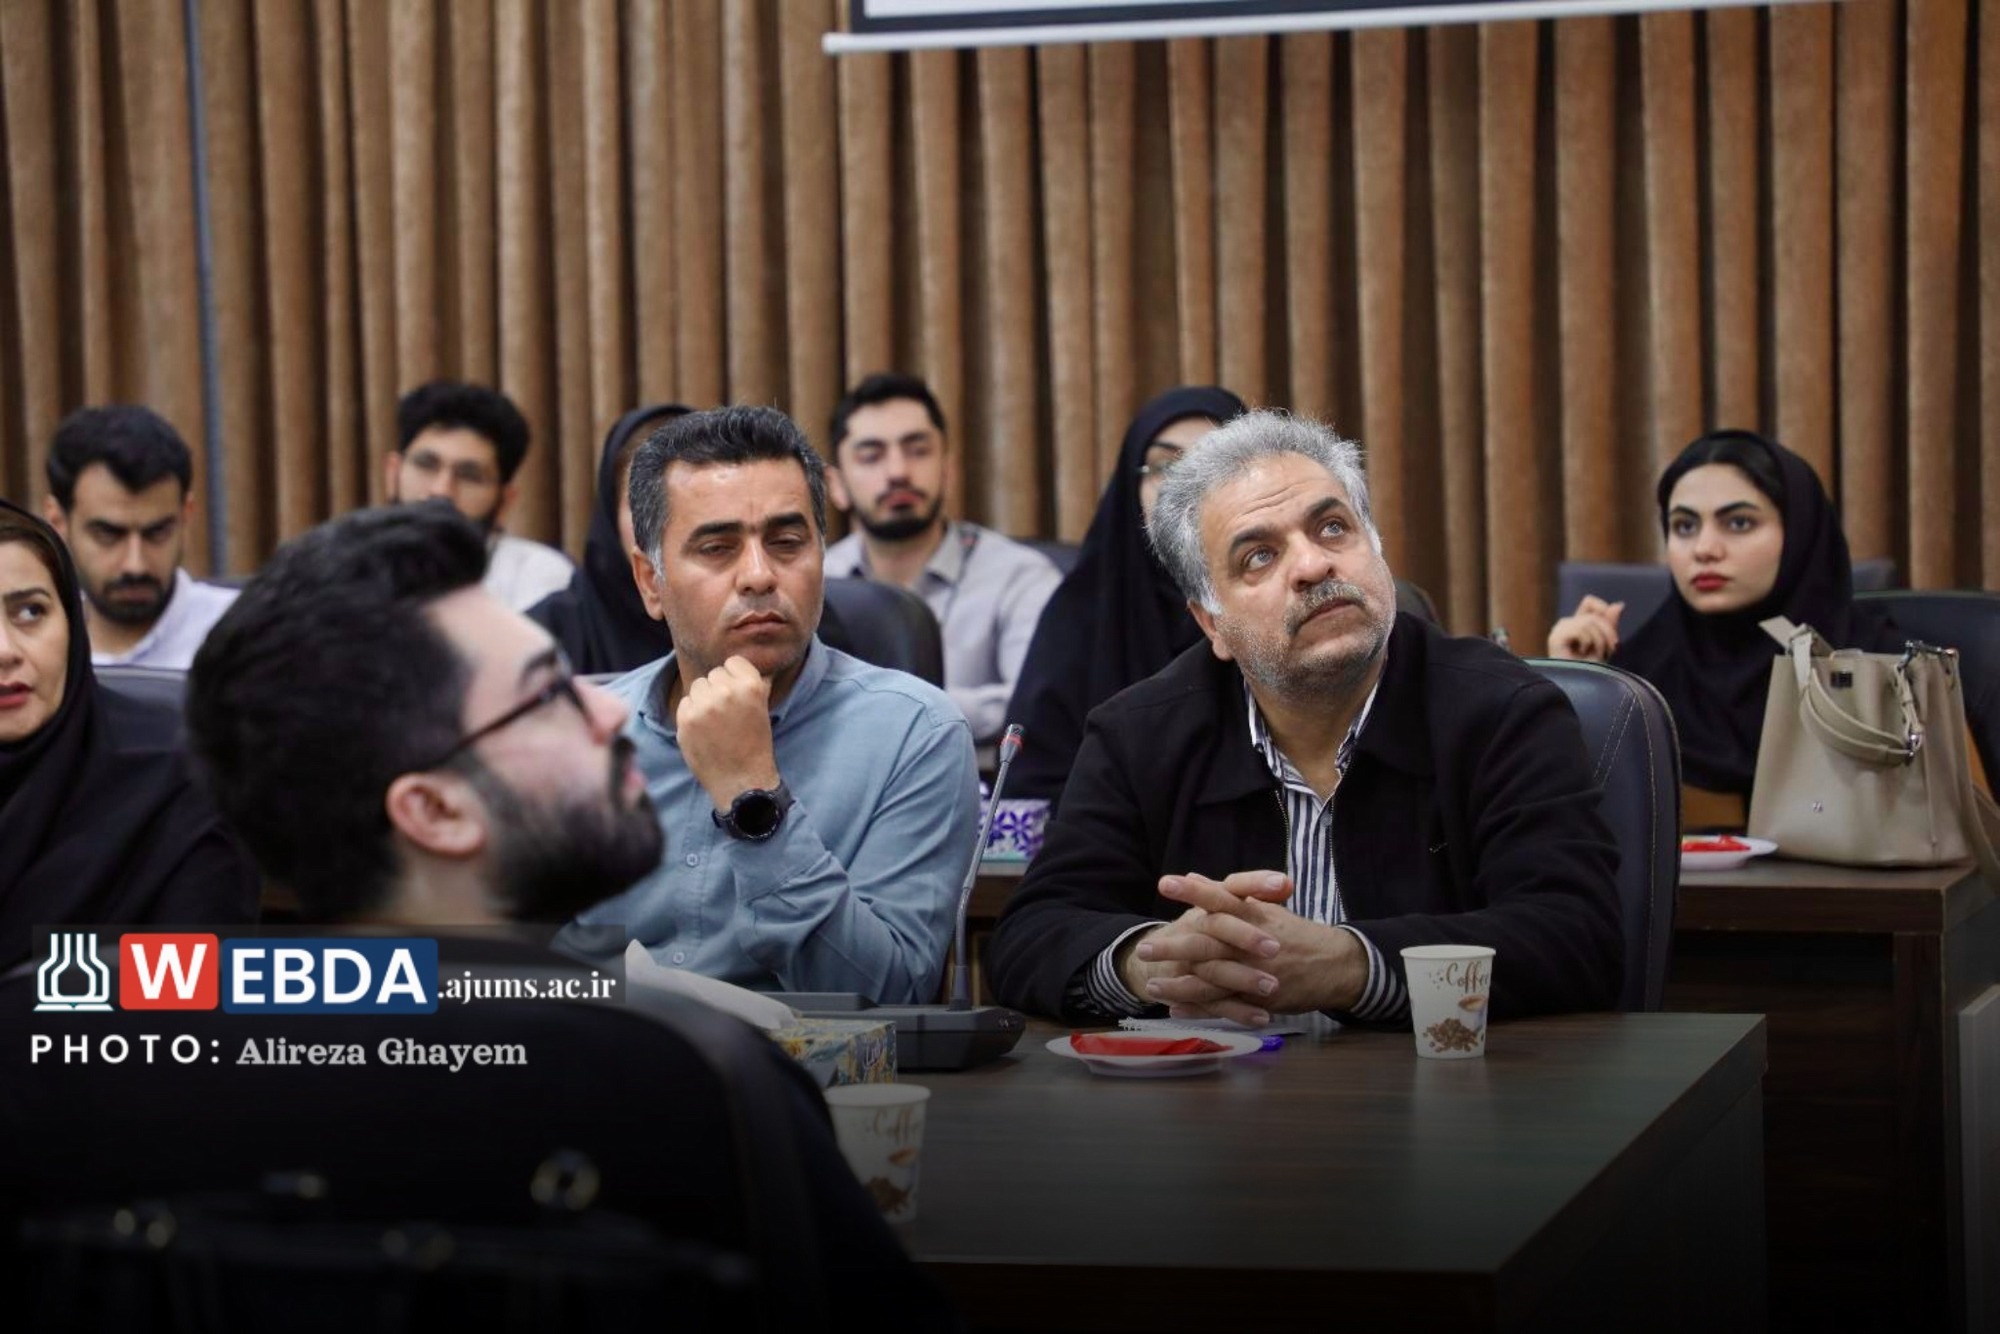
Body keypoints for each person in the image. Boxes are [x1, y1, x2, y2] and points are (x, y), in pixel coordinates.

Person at [0, 502, 957, 1330]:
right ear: (434, 810)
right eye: (545, 697)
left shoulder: (46, 1023)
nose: (607, 716)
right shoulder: (692, 1075)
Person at [986, 412, 1623, 1026]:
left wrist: (1350, 966)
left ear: (1376, 549)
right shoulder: (1137, 736)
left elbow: (1577, 934)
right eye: (1259, 557)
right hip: (1218, 1097)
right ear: (1213, 624)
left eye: (1332, 528)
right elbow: (1030, 935)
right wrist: (1151, 963)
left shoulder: (1503, 710)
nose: (1313, 565)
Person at [565, 406, 980, 1003]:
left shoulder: (916, 733)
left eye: (787, 543)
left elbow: (888, 999)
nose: (759, 576)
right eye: (717, 548)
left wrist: (753, 796)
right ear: (651, 582)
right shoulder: (579, 735)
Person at [1546, 429, 1907, 815]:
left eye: (1738, 523)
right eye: (1684, 526)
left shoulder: (1881, 669)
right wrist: (1579, 687)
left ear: (1800, 533)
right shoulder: (1636, 680)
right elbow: (1567, 822)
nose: (1704, 549)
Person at [0, 499, 258, 970]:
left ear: (72, 621)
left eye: (30, 612)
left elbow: (192, 984)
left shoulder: (178, 784)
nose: (5, 651)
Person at [1006, 385, 1247, 802]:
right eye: (1165, 466)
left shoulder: (1285, 597)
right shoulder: (1081, 614)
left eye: (1213, 465)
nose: (1186, 487)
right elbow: (1034, 785)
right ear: (1131, 488)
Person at [822, 373, 1061, 743]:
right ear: (836, 485)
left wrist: (889, 709)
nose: (898, 472)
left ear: (948, 469)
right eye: (871, 456)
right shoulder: (818, 579)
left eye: (918, 450)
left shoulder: (1020, 576)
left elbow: (1040, 702)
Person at [40, 404, 237, 668]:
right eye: (108, 535)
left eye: (157, 532)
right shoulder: (25, 652)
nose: (136, 565)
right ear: (58, 522)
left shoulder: (248, 635)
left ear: (186, 515)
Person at [528, 402, 692, 674]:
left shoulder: (751, 618)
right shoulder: (544, 635)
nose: (665, 527)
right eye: (644, 506)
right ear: (610, 513)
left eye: (689, 508)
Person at [387, 379, 575, 612]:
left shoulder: (537, 576)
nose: (442, 491)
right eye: (427, 465)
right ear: (393, 474)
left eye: (469, 476)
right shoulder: (354, 567)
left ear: (504, 501)